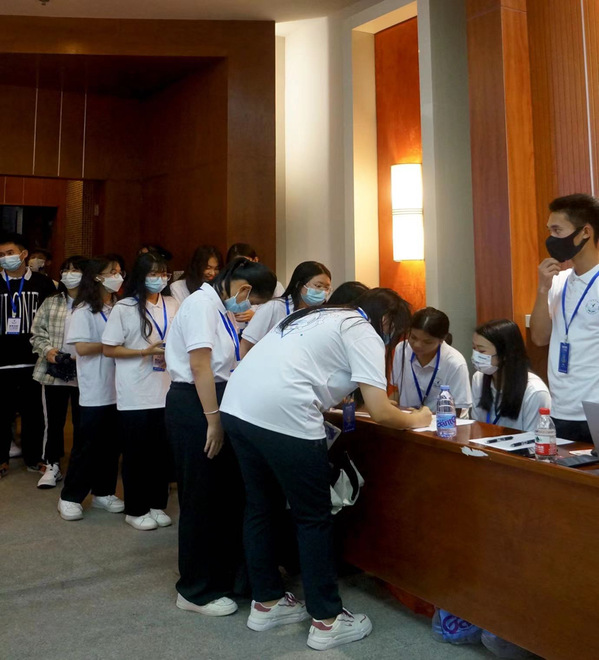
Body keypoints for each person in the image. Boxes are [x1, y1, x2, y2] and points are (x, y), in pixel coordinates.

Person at [219, 288, 433, 651]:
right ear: (386, 320)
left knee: (261, 507)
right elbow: (381, 410)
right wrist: (419, 418)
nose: (392, 339)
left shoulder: (313, 316)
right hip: (285, 416)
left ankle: (266, 602)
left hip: (238, 409)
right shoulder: (362, 329)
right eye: (396, 332)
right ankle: (327, 620)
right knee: (313, 517)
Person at [164, 257, 277, 617]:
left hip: (215, 400)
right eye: (252, 300)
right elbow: (200, 365)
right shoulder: (201, 304)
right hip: (196, 404)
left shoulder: (219, 307)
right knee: (201, 497)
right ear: (243, 288)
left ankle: (221, 577)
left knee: (222, 496)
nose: (249, 307)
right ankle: (195, 591)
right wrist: (212, 420)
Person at [102, 251, 179, 530]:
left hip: (166, 388)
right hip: (135, 391)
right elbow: (109, 349)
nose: (160, 279)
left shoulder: (173, 304)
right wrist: (144, 352)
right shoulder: (125, 307)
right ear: (141, 276)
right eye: (153, 274)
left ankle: (157, 504)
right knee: (137, 454)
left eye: (164, 273)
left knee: (161, 453)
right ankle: (135, 509)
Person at [57, 256, 124, 521]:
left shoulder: (119, 307)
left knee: (111, 446)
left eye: (119, 271)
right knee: (88, 446)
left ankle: (103, 492)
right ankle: (70, 497)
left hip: (121, 388)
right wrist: (112, 345)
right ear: (97, 277)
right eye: (112, 272)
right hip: (96, 388)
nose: (118, 276)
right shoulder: (84, 311)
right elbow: (81, 348)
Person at [530, 193, 599, 442]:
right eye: (549, 230)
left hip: (594, 409)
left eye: (557, 230)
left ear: (585, 232)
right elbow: (539, 337)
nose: (551, 239)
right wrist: (542, 288)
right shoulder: (558, 281)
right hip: (560, 408)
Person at [0, 232, 57, 479]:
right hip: (2, 361)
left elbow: (51, 321)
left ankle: (34, 458)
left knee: (33, 413)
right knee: (1, 413)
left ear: (23, 254)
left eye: (10, 253)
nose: (5, 258)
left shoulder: (43, 284)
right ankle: (1, 460)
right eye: (1, 255)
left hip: (33, 359)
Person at [30, 255, 88, 489]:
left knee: (83, 422)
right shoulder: (52, 301)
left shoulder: (95, 303)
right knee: (53, 422)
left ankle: (80, 467)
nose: (69, 274)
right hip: (54, 369)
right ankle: (52, 464)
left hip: (86, 371)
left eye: (75, 270)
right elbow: (37, 332)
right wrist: (48, 350)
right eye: (66, 270)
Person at [240, 260, 331, 357]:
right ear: (299, 285)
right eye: (318, 286)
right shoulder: (274, 307)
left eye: (326, 288)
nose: (322, 292)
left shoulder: (322, 314)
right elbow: (246, 345)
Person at [472, 319, 550, 431]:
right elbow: (476, 426)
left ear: (505, 354)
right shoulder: (478, 378)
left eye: (481, 351)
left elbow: (535, 438)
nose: (475, 356)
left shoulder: (535, 392)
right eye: (474, 349)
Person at [391, 307, 472, 416]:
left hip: (443, 423)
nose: (417, 345)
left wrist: (424, 418)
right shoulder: (402, 349)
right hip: (408, 420)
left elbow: (457, 410)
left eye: (427, 342)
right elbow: (398, 391)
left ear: (442, 339)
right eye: (413, 337)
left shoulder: (455, 363)